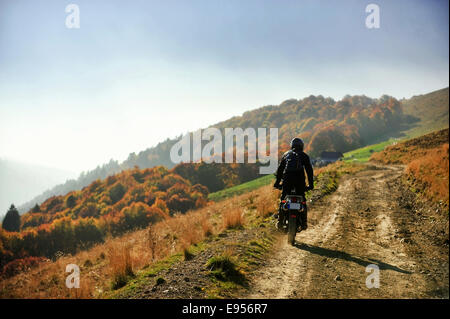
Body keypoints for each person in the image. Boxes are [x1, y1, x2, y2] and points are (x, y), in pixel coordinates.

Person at [273, 137, 314, 230]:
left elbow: (280, 170)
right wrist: (311, 184)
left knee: (283, 199)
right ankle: (304, 223)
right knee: (302, 200)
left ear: (292, 146)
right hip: (300, 181)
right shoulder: (304, 156)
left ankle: (280, 221)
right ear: (302, 146)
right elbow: (309, 171)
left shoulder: (286, 155)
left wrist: (277, 183)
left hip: (287, 180)